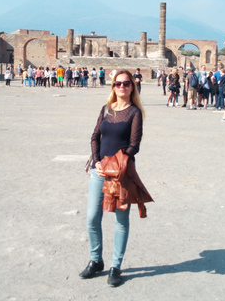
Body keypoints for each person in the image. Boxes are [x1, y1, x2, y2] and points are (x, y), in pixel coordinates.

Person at [81, 70, 146, 287]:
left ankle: (115, 266)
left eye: (126, 83)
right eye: (118, 83)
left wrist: (116, 164)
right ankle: (96, 259)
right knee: (92, 217)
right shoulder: (106, 109)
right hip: (99, 170)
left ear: (132, 87)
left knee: (121, 220)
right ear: (113, 86)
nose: (122, 87)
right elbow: (94, 136)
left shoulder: (135, 113)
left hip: (121, 173)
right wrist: (97, 161)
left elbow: (134, 145)